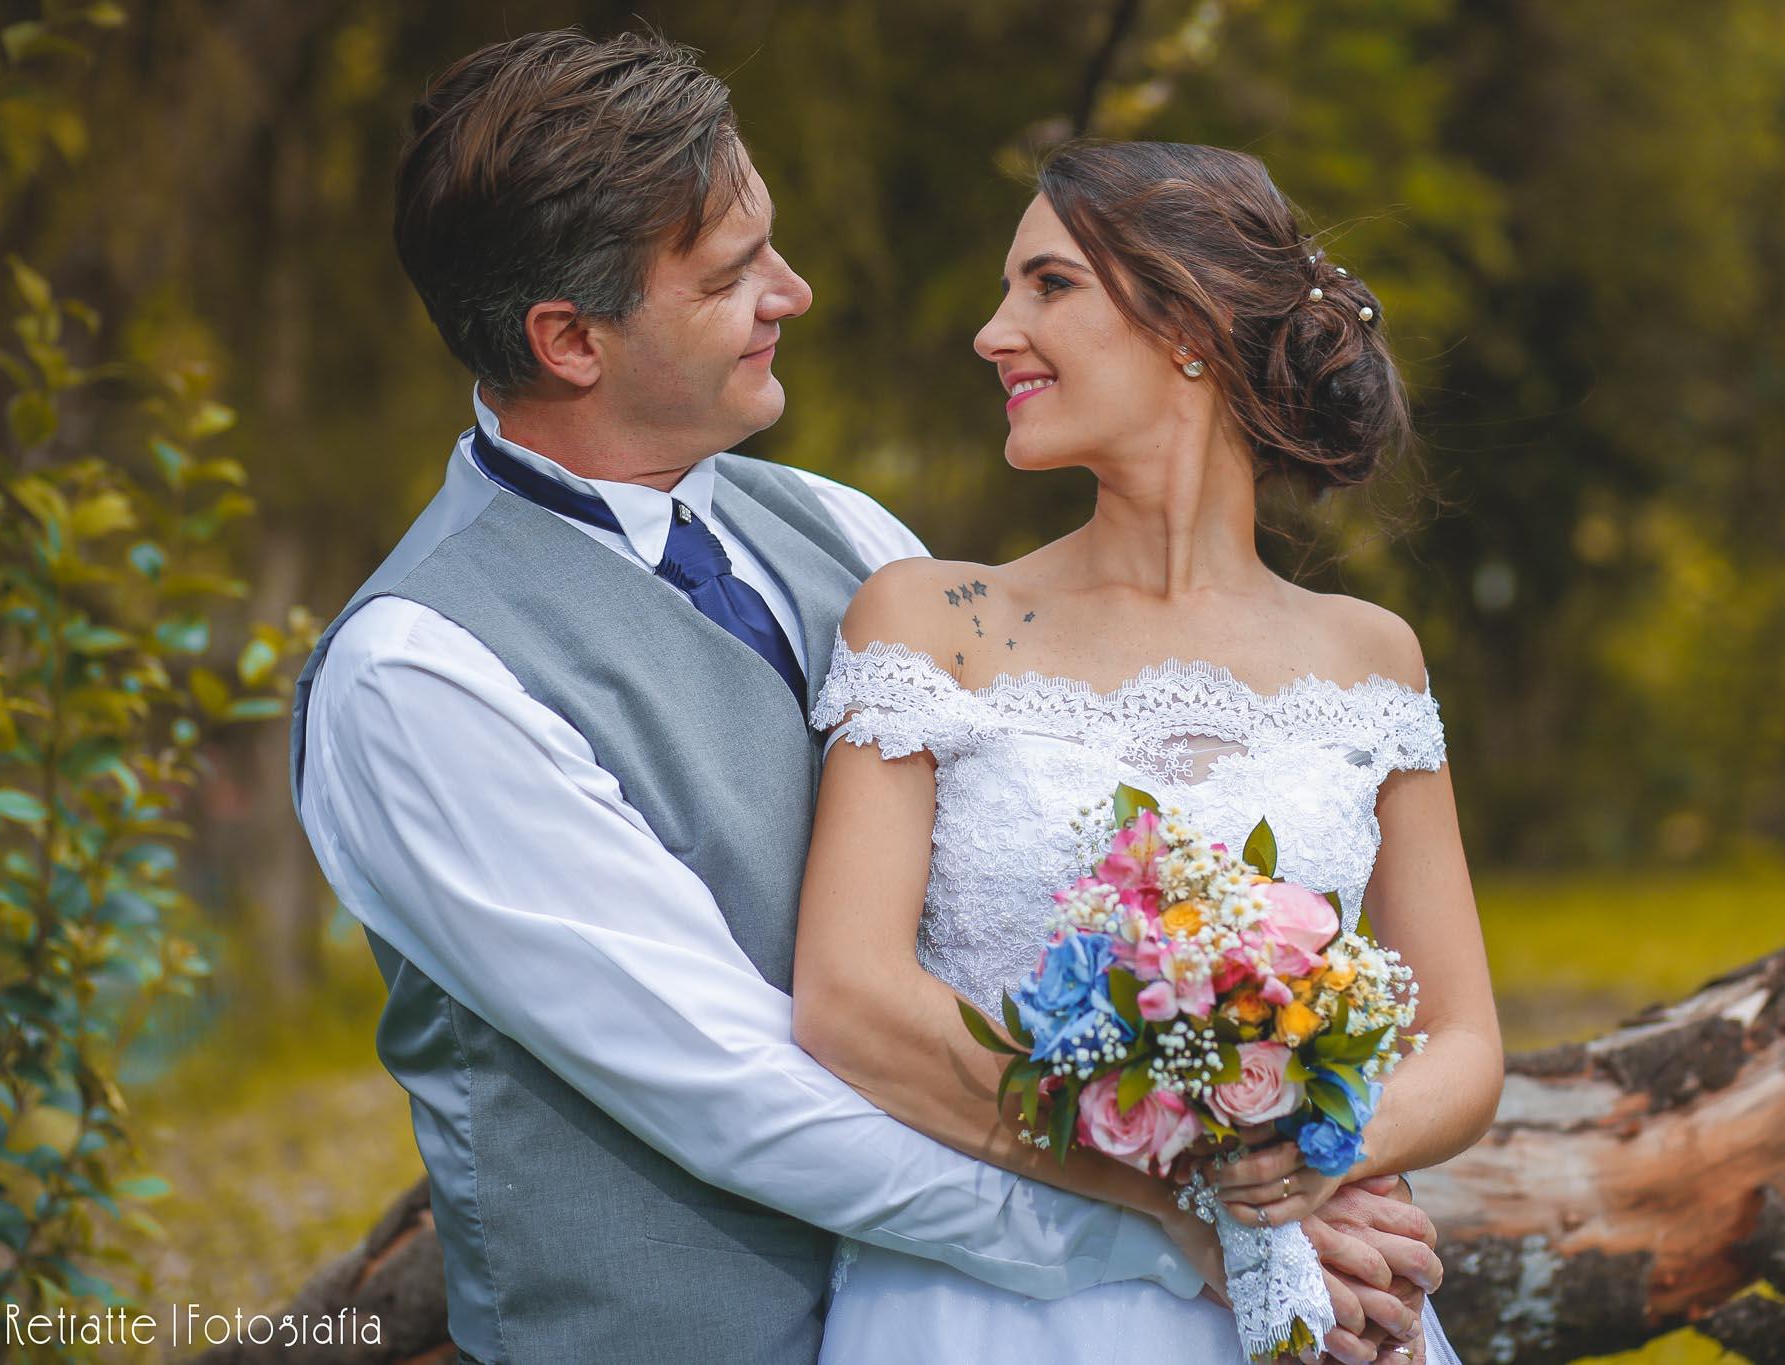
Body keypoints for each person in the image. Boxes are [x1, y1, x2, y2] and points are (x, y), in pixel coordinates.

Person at [289, 29, 1444, 1365]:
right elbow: (741, 1090)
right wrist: (1184, 1221)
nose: (797, 291)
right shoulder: (424, 675)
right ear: (570, 339)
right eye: (732, 276)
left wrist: (1291, 1148)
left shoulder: (845, 537)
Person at [793, 140, 1504, 1365]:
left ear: (1190, 323)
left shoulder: (1369, 658)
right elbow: (849, 1003)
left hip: (1322, 1310)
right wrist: (1195, 1191)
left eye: (1047, 285)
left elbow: (1466, 1046)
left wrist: (1309, 1163)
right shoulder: (925, 625)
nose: (991, 332)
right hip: (993, 1311)